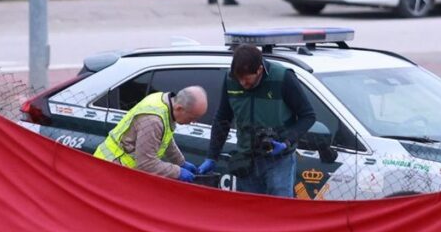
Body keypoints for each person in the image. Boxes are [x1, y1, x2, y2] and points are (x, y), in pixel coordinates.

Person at [200, 45, 333, 198]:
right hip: (246, 160)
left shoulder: (283, 77)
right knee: (251, 213)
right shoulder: (230, 79)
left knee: (279, 213)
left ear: (259, 70)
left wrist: (286, 142)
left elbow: (308, 116)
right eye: (239, 78)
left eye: (246, 79)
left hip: (279, 160)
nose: (242, 83)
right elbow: (222, 118)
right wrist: (212, 156)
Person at [94, 87, 208, 182]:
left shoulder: (163, 102)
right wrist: (178, 172)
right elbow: (146, 164)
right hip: (111, 169)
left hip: (118, 169)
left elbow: (165, 138)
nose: (194, 122)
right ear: (179, 108)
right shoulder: (153, 120)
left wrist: (180, 162)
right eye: (193, 118)